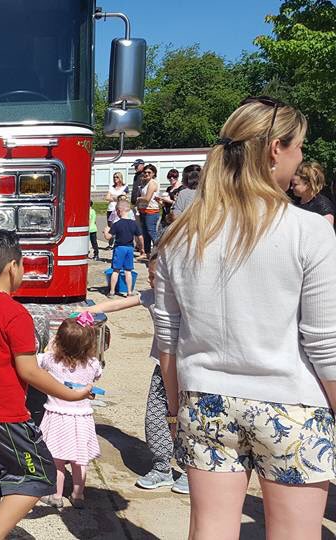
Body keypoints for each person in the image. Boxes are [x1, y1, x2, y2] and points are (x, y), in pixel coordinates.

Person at [154, 97, 336, 538]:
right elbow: (324, 344)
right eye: (298, 147)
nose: (300, 158)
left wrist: (176, 411)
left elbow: (168, 339)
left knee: (210, 529)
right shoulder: (310, 231)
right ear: (276, 149)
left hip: (205, 401)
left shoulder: (181, 235)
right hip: (292, 406)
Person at [0, 230, 92, 540]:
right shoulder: (16, 314)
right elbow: (29, 371)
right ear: (12, 267)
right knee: (39, 474)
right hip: (3, 415)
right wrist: (71, 394)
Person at [83, 252, 188, 495]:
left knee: (187, 420)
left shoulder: (188, 299)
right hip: (162, 368)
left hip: (189, 370)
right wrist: (86, 311)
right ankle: (162, 467)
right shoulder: (152, 296)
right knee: (155, 416)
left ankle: (191, 471)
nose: (150, 281)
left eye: (155, 276)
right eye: (149, 276)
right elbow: (118, 304)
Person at [37, 314, 103, 509]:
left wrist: (50, 345)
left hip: (57, 417)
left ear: (59, 341)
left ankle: (55, 495)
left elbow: (37, 361)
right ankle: (78, 495)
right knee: (79, 460)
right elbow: (98, 374)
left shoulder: (50, 360)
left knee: (56, 460)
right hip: (81, 419)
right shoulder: (93, 364)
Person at [103, 200, 139, 297]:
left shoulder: (117, 224)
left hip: (119, 248)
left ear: (119, 211)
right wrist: (142, 248)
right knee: (128, 271)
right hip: (130, 248)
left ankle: (112, 292)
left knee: (116, 270)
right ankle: (129, 292)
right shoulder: (133, 223)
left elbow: (108, 237)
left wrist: (105, 231)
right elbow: (140, 237)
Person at [291, 161, 335, 225]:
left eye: (295, 185)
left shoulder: (323, 208)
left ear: (307, 185)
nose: (291, 187)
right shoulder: (295, 201)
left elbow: (325, 230)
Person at [135, 164, 160, 255]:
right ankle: (148, 254)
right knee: (145, 234)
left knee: (151, 232)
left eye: (149, 172)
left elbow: (147, 198)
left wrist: (138, 199)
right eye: (145, 172)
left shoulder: (152, 183)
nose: (146, 174)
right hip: (143, 211)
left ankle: (159, 251)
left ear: (153, 174)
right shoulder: (145, 183)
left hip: (151, 211)